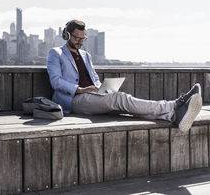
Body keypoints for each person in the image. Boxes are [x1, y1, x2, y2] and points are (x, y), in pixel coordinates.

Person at [47, 20, 203, 132]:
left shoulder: (86, 55)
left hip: (92, 97)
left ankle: (174, 116)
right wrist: (81, 89)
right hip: (74, 100)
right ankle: (174, 105)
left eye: (83, 39)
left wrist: (101, 88)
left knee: (125, 105)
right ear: (67, 35)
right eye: (76, 38)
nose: (80, 42)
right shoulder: (56, 53)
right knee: (121, 98)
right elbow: (56, 82)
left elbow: (94, 77)